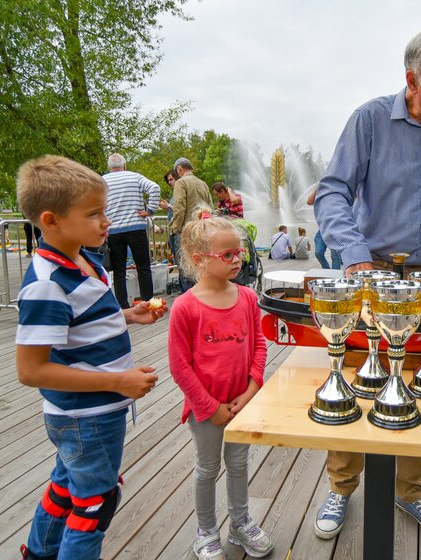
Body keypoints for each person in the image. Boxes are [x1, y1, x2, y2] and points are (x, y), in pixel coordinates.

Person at [313, 26, 421, 541]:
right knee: (353, 374)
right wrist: (352, 259)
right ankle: (341, 485)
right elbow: (332, 193)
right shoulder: (369, 119)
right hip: (368, 270)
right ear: (411, 80)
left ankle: (409, 490)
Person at [14, 155, 166, 560]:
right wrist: (118, 381)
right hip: (86, 417)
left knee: (66, 487)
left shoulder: (83, 258)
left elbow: (81, 323)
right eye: (94, 213)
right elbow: (31, 370)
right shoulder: (47, 285)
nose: (106, 221)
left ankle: (40, 552)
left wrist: (128, 315)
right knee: (95, 502)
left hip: (89, 414)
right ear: (51, 220)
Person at [168, 206, 273, 559]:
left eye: (239, 253)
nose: (237, 261)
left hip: (242, 402)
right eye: (227, 254)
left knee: (240, 464)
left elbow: (259, 346)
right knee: (207, 468)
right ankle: (206, 530)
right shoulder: (185, 307)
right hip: (205, 410)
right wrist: (209, 407)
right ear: (199, 259)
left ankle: (240, 523)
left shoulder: (247, 297)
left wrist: (251, 390)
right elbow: (180, 367)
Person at [103, 153, 161, 308]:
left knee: (119, 271)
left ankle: (123, 306)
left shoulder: (103, 181)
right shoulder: (135, 177)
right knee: (143, 267)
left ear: (109, 167)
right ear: (124, 165)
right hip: (136, 227)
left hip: (114, 230)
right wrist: (150, 210)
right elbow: (154, 188)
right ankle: (148, 302)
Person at [170, 157, 214, 292]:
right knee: (201, 264)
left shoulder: (181, 183)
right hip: (202, 230)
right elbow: (210, 207)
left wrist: (174, 228)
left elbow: (179, 208)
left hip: (186, 231)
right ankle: (204, 293)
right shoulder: (203, 184)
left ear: (179, 169)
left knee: (185, 266)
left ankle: (188, 298)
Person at [306, 186, 341, 269]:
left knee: (335, 255)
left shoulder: (339, 190)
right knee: (318, 252)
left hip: (335, 228)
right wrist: (319, 186)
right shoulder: (322, 191)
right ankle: (327, 271)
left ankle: (334, 277)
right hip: (322, 229)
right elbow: (309, 201)